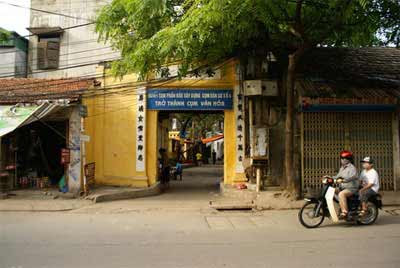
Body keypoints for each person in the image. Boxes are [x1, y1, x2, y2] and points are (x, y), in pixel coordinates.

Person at [330, 150, 359, 219]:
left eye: (344, 158)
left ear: (348, 159)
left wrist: (343, 180)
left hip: (351, 188)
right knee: (332, 190)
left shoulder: (352, 168)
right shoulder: (342, 168)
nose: (342, 160)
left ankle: (345, 212)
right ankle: (339, 207)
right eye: (341, 158)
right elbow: (337, 176)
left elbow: (352, 177)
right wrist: (329, 177)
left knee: (341, 194)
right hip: (343, 187)